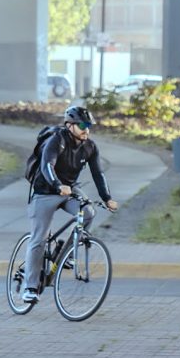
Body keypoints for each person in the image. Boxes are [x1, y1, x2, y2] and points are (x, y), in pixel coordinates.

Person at [21, 104, 118, 302]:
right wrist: (58, 185)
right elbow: (47, 165)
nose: (86, 130)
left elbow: (98, 174)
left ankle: (67, 254)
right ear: (69, 125)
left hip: (69, 190)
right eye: (82, 125)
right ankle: (30, 288)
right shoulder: (57, 141)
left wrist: (107, 198)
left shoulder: (89, 146)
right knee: (39, 240)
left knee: (88, 212)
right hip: (45, 191)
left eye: (89, 126)